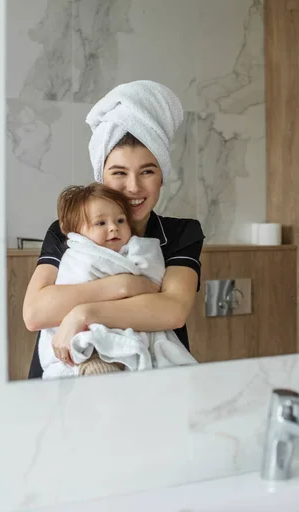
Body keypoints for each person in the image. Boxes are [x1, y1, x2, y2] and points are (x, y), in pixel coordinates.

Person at [23, 80, 205, 379]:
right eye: (119, 172)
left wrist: (84, 313)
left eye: (147, 171)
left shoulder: (181, 233)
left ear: (162, 176)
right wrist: (125, 287)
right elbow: (35, 313)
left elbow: (172, 310)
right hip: (62, 378)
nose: (133, 187)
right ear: (101, 177)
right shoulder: (67, 230)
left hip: (153, 383)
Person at [39, 182, 197, 379]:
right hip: (83, 338)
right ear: (78, 232)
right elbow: (39, 312)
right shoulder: (79, 255)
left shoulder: (142, 248)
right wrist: (125, 286)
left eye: (120, 221)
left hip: (128, 331)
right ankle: (95, 366)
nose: (113, 228)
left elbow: (159, 292)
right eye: (101, 223)